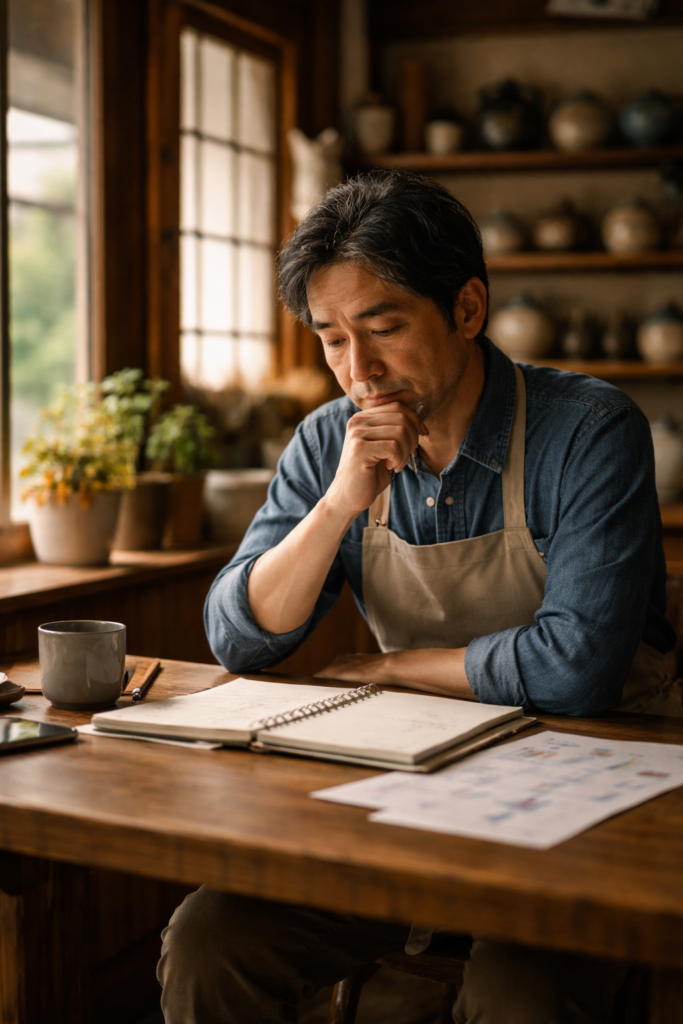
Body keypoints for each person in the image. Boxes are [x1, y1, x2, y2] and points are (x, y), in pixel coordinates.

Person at [157, 170, 677, 1023]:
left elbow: (577, 668)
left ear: (467, 309)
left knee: (520, 995)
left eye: (383, 328)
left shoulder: (587, 430)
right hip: (404, 784)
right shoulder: (330, 439)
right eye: (330, 340)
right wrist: (336, 505)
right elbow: (239, 638)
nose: (357, 371)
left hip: (593, 804)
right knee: (212, 941)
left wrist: (401, 665)